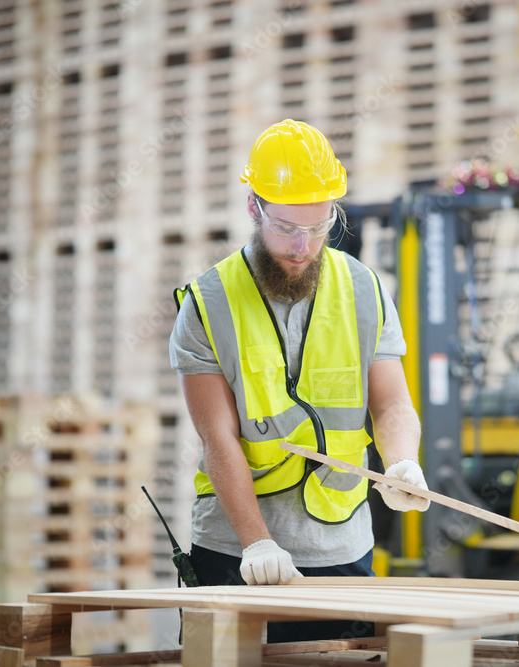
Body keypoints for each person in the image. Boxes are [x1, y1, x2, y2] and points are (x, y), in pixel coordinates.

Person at [168, 119, 430, 643]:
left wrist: (402, 460)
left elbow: (392, 405)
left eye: (317, 227)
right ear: (253, 208)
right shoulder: (207, 304)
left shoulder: (365, 292)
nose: (301, 245)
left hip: (341, 543)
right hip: (234, 548)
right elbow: (218, 439)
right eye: (286, 227)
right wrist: (256, 544)